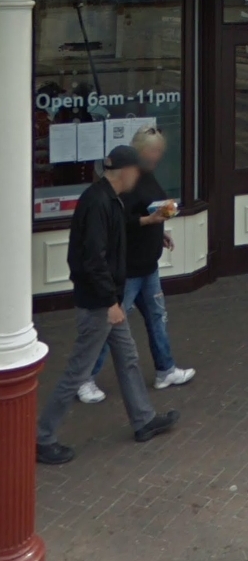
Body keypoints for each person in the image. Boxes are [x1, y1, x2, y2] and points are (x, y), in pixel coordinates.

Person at [37, 145, 179, 465]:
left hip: (107, 299)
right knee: (78, 370)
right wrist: (109, 302)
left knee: (127, 357)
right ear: (126, 171)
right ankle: (42, 437)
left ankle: (143, 421)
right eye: (136, 173)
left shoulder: (108, 199)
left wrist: (159, 228)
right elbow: (93, 259)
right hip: (99, 304)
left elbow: (115, 241)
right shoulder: (99, 202)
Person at [78, 126, 195, 403]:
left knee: (157, 317)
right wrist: (149, 222)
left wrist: (159, 230)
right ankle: (83, 378)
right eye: (154, 150)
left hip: (148, 264)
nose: (159, 155)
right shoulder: (124, 183)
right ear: (140, 151)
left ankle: (165, 369)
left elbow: (146, 210)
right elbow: (119, 222)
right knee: (111, 323)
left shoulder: (148, 175)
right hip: (129, 268)